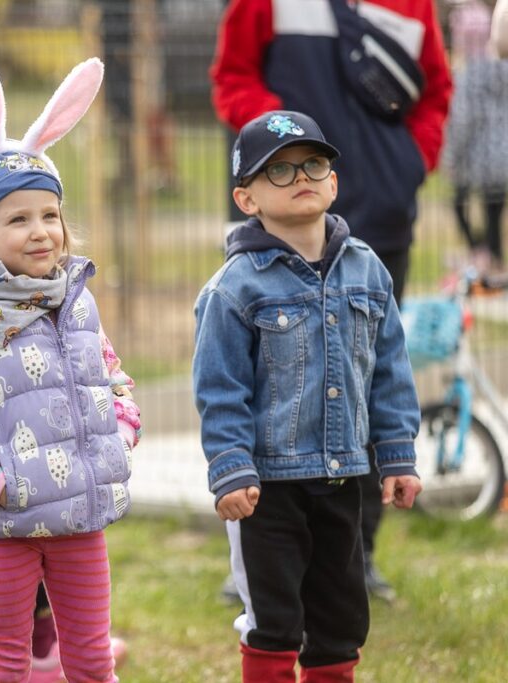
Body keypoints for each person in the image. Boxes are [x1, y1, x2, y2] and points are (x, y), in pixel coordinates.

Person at [0, 45, 140, 682]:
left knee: (91, 657)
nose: (41, 231)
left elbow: (112, 379)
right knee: (7, 659)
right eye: (18, 219)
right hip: (3, 526)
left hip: (80, 520)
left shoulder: (77, 306)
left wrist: (118, 434)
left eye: (49, 215)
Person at [210, 0, 451, 599]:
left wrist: (405, 164)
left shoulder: (413, 5)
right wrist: (282, 147)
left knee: (364, 377)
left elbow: (436, 91)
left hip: (380, 218)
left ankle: (355, 556)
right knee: (271, 381)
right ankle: (264, 553)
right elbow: (232, 75)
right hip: (278, 230)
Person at [193, 110, 423, 681]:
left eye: (313, 164)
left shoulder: (368, 270)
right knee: (274, 620)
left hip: (345, 479)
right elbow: (220, 390)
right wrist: (230, 468)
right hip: (266, 489)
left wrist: (397, 454)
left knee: (341, 618)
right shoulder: (233, 289)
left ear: (333, 182)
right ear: (246, 199)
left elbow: (390, 370)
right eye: (279, 170)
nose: (300, 176)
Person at [444, 1, 508, 274]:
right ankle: (494, 261)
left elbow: (462, 120)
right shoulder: (502, 69)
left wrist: (451, 158)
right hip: (502, 156)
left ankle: (480, 254)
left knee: (459, 203)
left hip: (475, 160)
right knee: (494, 212)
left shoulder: (467, 75)